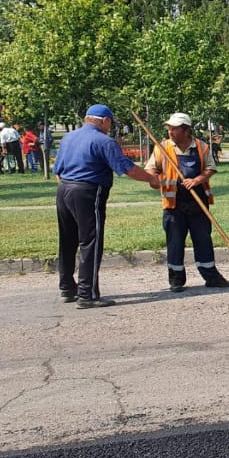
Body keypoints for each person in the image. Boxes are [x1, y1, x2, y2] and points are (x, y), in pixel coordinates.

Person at [54, 104, 160, 308]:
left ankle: (67, 288)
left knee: (67, 240)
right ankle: (87, 294)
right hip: (88, 192)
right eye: (110, 124)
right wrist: (153, 179)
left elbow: (57, 170)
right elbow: (127, 168)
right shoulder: (103, 140)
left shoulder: (68, 138)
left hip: (64, 189)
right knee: (90, 242)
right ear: (105, 121)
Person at [143, 112, 229, 292]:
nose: (170, 131)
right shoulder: (162, 148)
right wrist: (153, 180)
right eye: (169, 128)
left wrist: (197, 180)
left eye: (174, 128)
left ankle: (211, 276)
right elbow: (151, 170)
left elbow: (210, 168)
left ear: (186, 130)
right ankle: (176, 280)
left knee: (203, 240)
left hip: (198, 203)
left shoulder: (201, 147)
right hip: (174, 205)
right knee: (175, 242)